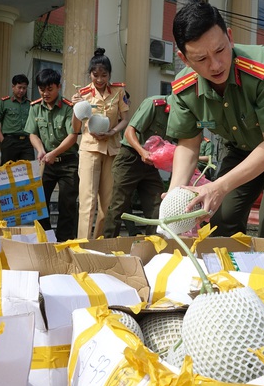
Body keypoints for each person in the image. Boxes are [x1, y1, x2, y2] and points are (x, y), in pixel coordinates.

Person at [166, 2, 264, 240]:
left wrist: (218, 187)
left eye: (220, 51)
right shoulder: (184, 89)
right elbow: (188, 145)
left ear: (230, 37)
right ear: (184, 59)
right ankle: (231, 275)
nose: (215, 65)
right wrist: (174, 198)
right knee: (219, 222)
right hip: (240, 147)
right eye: (201, 58)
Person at [72, 48, 130, 239]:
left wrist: (112, 132)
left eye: (103, 75)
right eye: (95, 75)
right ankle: (82, 244)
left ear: (109, 75)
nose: (99, 79)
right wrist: (76, 109)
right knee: (88, 201)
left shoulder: (119, 91)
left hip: (112, 149)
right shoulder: (83, 94)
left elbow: (125, 119)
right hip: (90, 148)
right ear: (90, 74)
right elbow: (76, 128)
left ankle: (98, 243)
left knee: (107, 203)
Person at [102, 95, 172, 238]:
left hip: (151, 164)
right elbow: (129, 132)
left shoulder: (182, 115)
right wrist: (142, 152)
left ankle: (154, 248)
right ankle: (107, 247)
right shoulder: (154, 104)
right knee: (118, 205)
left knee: (157, 207)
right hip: (130, 158)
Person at [25, 68, 81, 242]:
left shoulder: (67, 108)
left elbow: (73, 135)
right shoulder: (35, 107)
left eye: (50, 89)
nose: (45, 93)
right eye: (42, 89)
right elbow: (32, 133)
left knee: (68, 203)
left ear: (58, 87)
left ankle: (65, 240)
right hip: (46, 163)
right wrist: (41, 150)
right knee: (39, 203)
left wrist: (54, 153)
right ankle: (45, 238)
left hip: (68, 162)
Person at [0, 74, 34, 164]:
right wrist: (2, 140)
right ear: (13, 87)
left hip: (26, 141)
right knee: (7, 170)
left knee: (30, 168)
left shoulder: (30, 104)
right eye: (19, 87)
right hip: (10, 141)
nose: (22, 91)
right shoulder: (4, 103)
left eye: (24, 88)